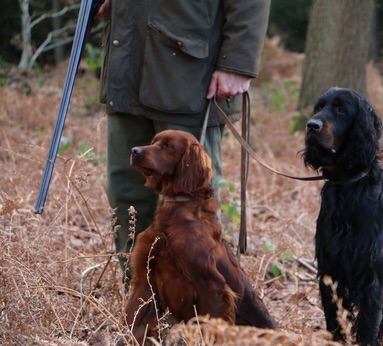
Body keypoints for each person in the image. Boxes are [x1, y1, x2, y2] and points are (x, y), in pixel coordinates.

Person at [95, 0, 271, 284]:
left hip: (190, 74)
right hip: (127, 64)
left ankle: (193, 313)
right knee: (125, 192)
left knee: (190, 202)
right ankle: (143, 303)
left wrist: (238, 62)